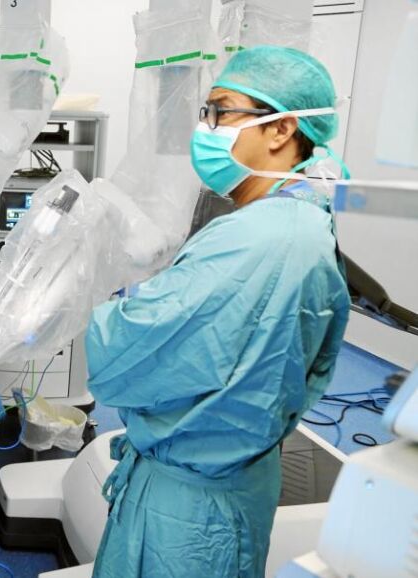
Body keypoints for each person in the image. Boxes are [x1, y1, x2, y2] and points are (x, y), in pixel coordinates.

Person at [86, 46, 352, 578]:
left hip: (189, 515)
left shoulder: (260, 238)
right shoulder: (297, 217)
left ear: (281, 129)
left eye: (221, 112)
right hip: (228, 483)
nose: (204, 128)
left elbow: (126, 355)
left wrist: (98, 301)